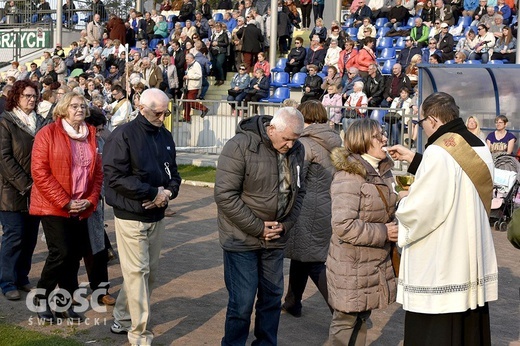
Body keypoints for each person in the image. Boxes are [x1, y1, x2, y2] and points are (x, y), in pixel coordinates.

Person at [388, 92, 498, 345]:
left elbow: (425, 208)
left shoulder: (439, 150)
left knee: (438, 326)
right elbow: (456, 180)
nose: (422, 128)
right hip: (470, 251)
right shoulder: (479, 144)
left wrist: (404, 199)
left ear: (434, 120)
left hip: (445, 254)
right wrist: (413, 158)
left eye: (421, 122)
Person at [215, 107, 306, 346]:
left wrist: (285, 225)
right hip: (241, 239)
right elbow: (225, 195)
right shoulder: (239, 145)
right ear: (271, 129)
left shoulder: (298, 149)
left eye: (295, 140)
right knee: (242, 302)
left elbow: (299, 191)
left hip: (276, 239)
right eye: (286, 139)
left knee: (272, 298)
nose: (290, 145)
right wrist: (258, 228)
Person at [103, 88, 181, 345]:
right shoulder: (123, 135)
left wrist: (167, 193)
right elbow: (114, 177)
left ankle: (124, 316)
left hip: (157, 216)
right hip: (130, 215)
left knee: (147, 273)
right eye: (158, 112)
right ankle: (140, 335)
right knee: (138, 273)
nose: (162, 116)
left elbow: (174, 176)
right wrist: (151, 192)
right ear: (141, 107)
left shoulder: (165, 136)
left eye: (165, 112)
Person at [31, 92, 103, 322]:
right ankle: (41, 298)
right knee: (60, 252)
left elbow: (98, 174)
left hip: (81, 206)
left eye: (82, 106)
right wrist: (65, 201)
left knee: (73, 256)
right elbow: (40, 173)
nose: (79, 109)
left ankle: (65, 303)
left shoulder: (90, 135)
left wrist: (90, 200)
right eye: (74, 106)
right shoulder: (47, 133)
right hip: (53, 205)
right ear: (62, 110)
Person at [327, 118, 397, 345]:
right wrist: (383, 232)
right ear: (363, 141)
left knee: (360, 320)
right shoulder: (348, 176)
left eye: (383, 133)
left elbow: (380, 208)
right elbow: (343, 226)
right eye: (378, 136)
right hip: (351, 266)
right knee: (345, 324)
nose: (384, 138)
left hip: (371, 265)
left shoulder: (381, 171)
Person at [282, 100, 341, 317]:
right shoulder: (334, 141)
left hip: (307, 210)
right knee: (302, 256)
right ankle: (292, 302)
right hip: (326, 205)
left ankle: (340, 310)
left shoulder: (306, 144)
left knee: (314, 262)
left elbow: (297, 180)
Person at [0, 81, 43, 301]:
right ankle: (7, 281)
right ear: (16, 97)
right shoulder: (5, 122)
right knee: (14, 235)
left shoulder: (41, 122)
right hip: (11, 191)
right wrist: (26, 184)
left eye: (35, 96)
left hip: (38, 191)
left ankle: (22, 277)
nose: (32, 99)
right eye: (27, 96)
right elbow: (4, 158)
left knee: (30, 237)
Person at [183, 53, 209, 122]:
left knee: (190, 101)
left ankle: (204, 109)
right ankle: (186, 117)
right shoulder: (189, 65)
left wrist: (189, 77)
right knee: (186, 102)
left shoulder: (196, 65)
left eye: (187, 59)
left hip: (194, 86)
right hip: (188, 86)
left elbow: (199, 75)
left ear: (191, 58)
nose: (186, 61)